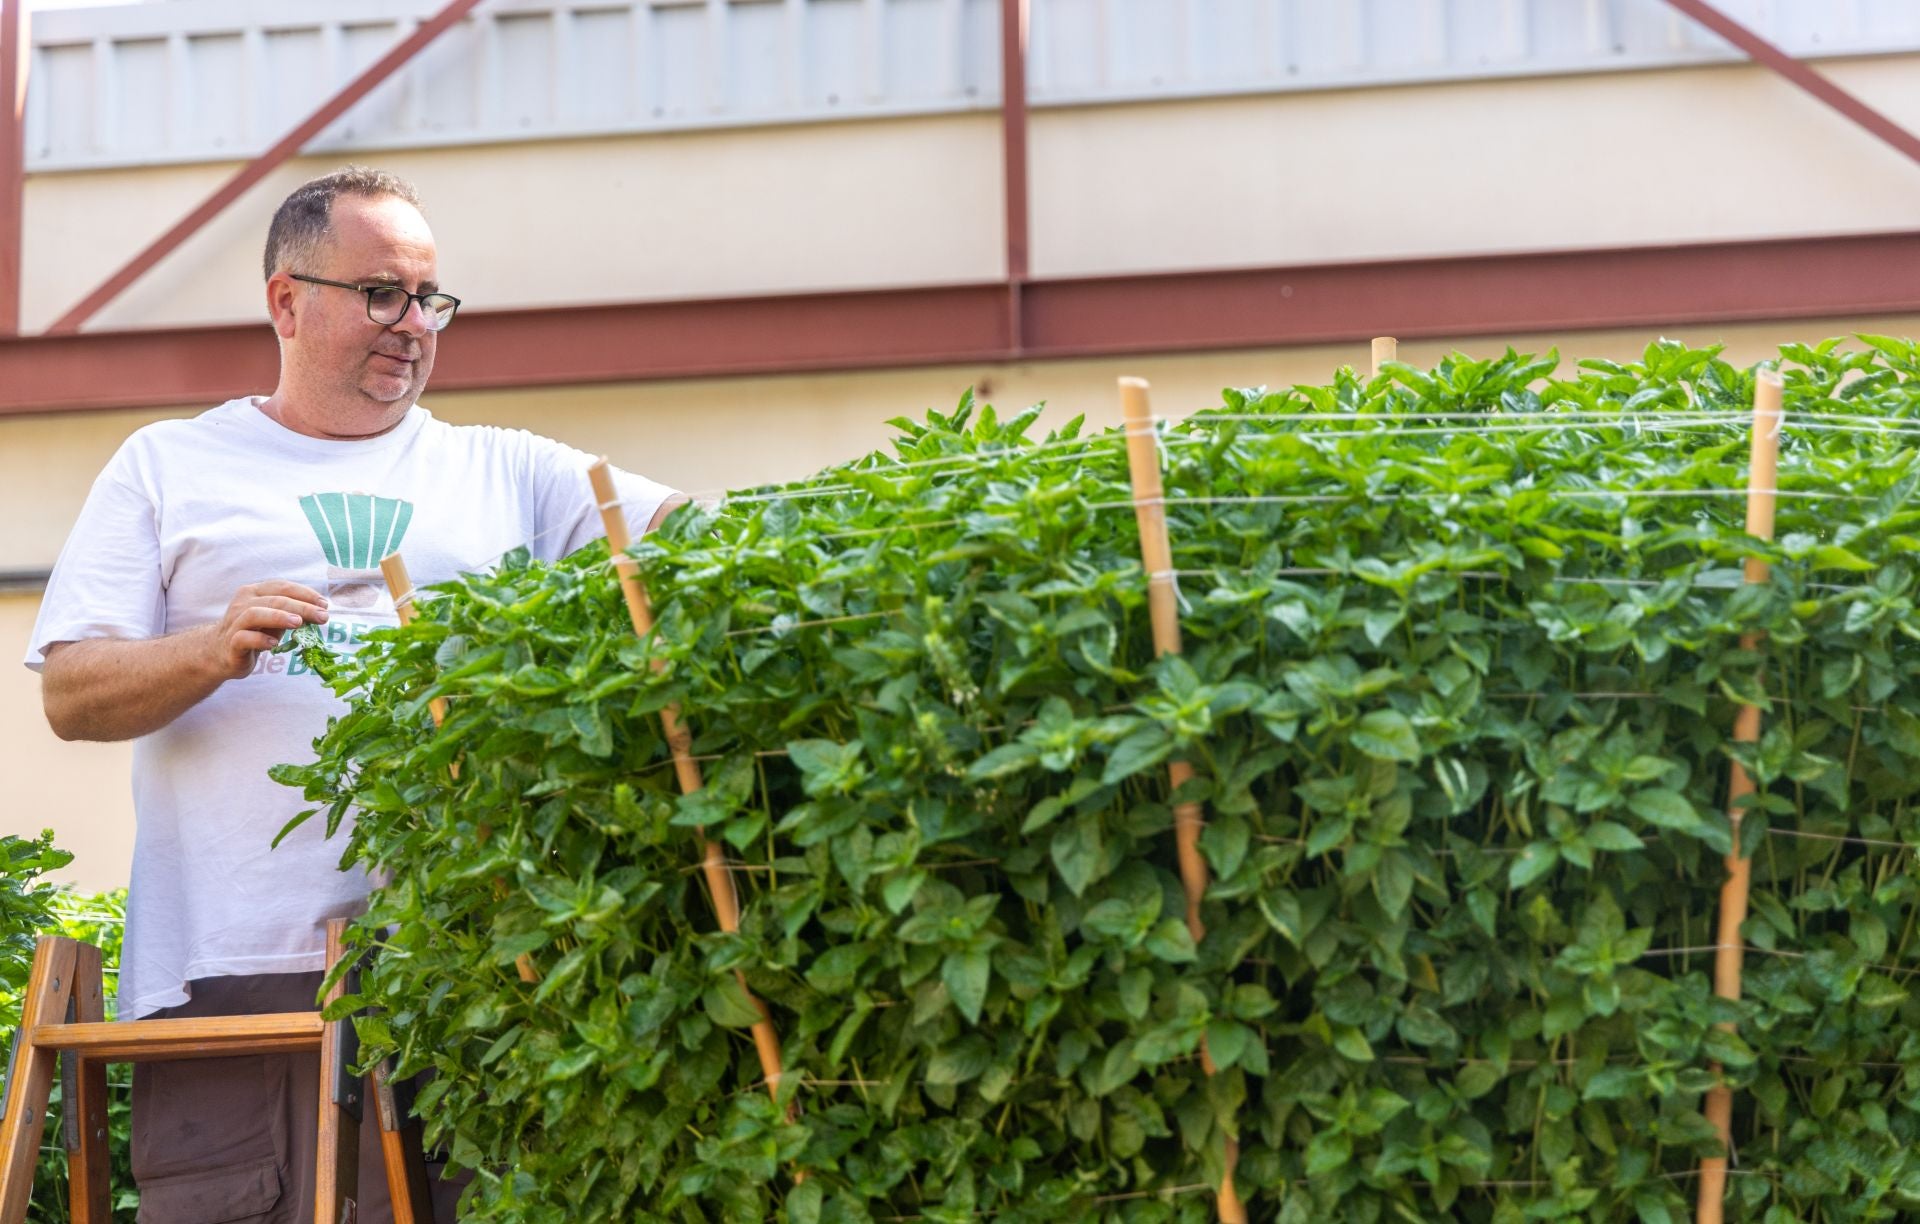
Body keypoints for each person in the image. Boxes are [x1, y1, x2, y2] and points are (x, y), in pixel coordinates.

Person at [24, 166, 684, 1223]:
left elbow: (706, 539)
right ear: (288, 300)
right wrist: (210, 650)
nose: (413, 323)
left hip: (472, 963)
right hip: (234, 973)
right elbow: (70, 692)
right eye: (382, 293)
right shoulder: (168, 464)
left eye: (431, 298)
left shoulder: (510, 472)